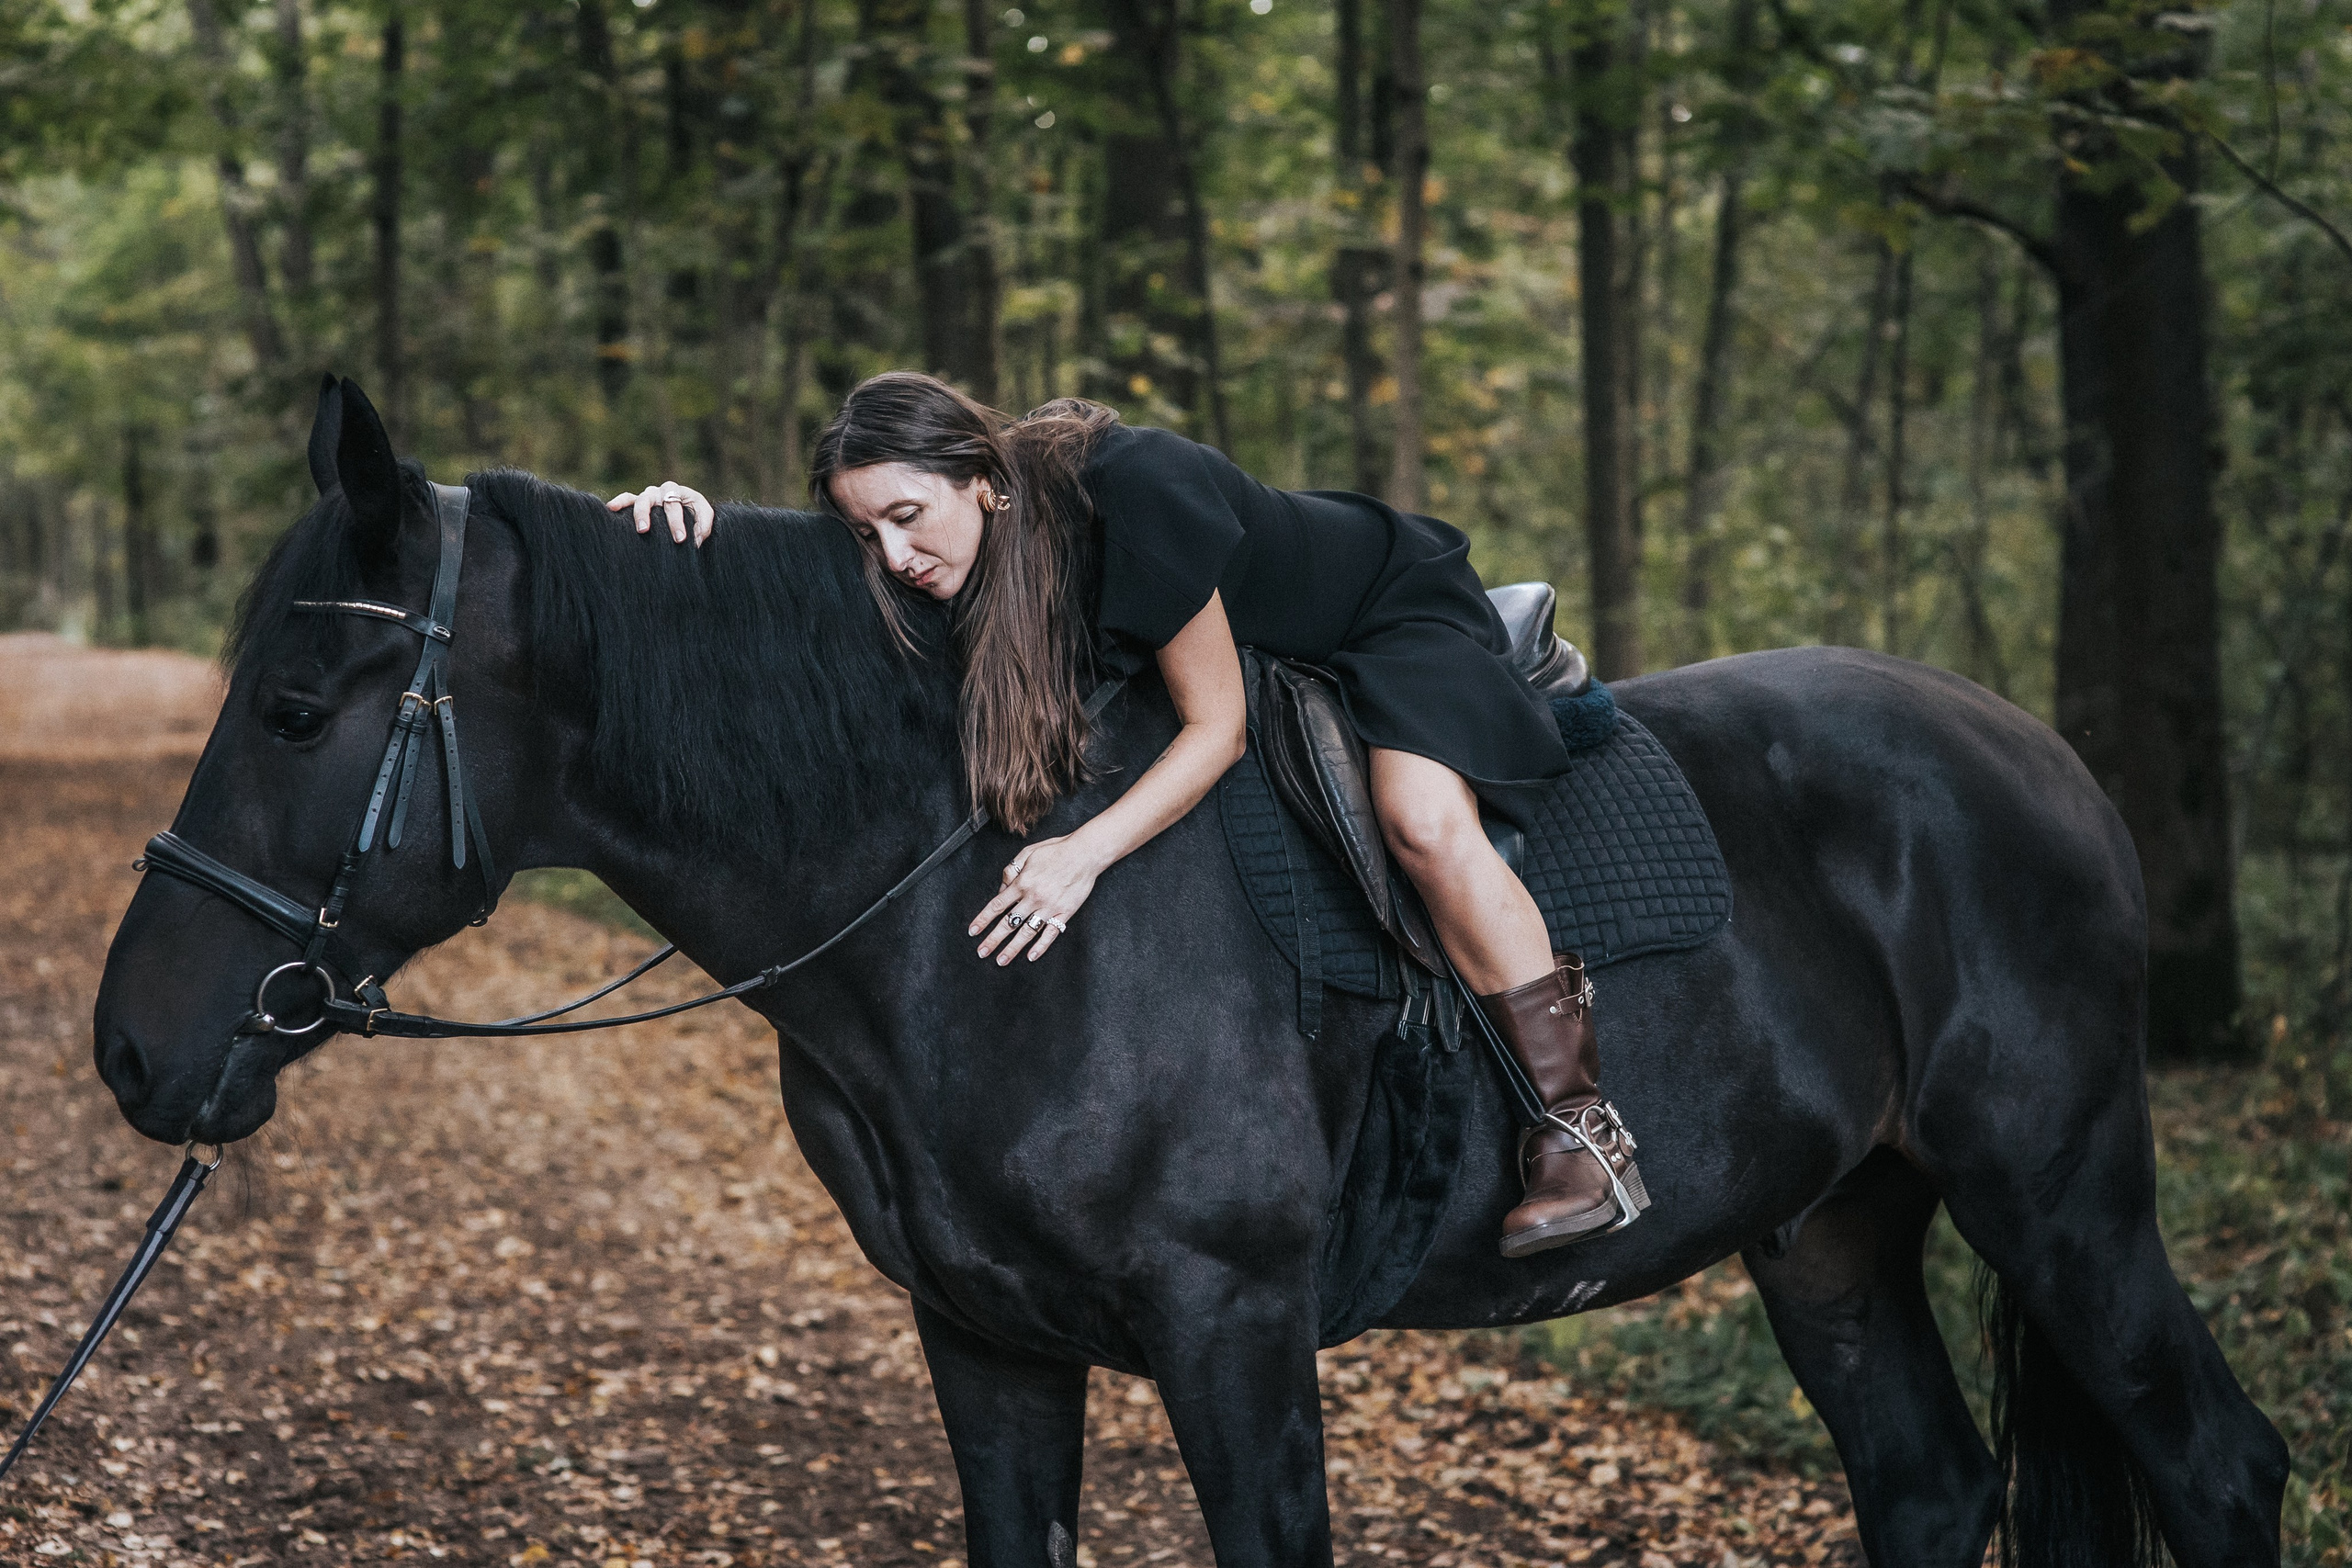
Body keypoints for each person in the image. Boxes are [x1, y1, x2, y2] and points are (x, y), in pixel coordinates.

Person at [609, 373, 1645, 1255]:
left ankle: (1581, 1128)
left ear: (983, 477)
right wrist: (684, 528)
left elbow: (1216, 730)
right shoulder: (938, 546)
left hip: (1379, 614)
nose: (892, 557)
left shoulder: (1134, 492)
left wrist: (1082, 855)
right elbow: (803, 592)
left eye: (905, 518)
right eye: (865, 531)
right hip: (1262, 641)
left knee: (1419, 817)